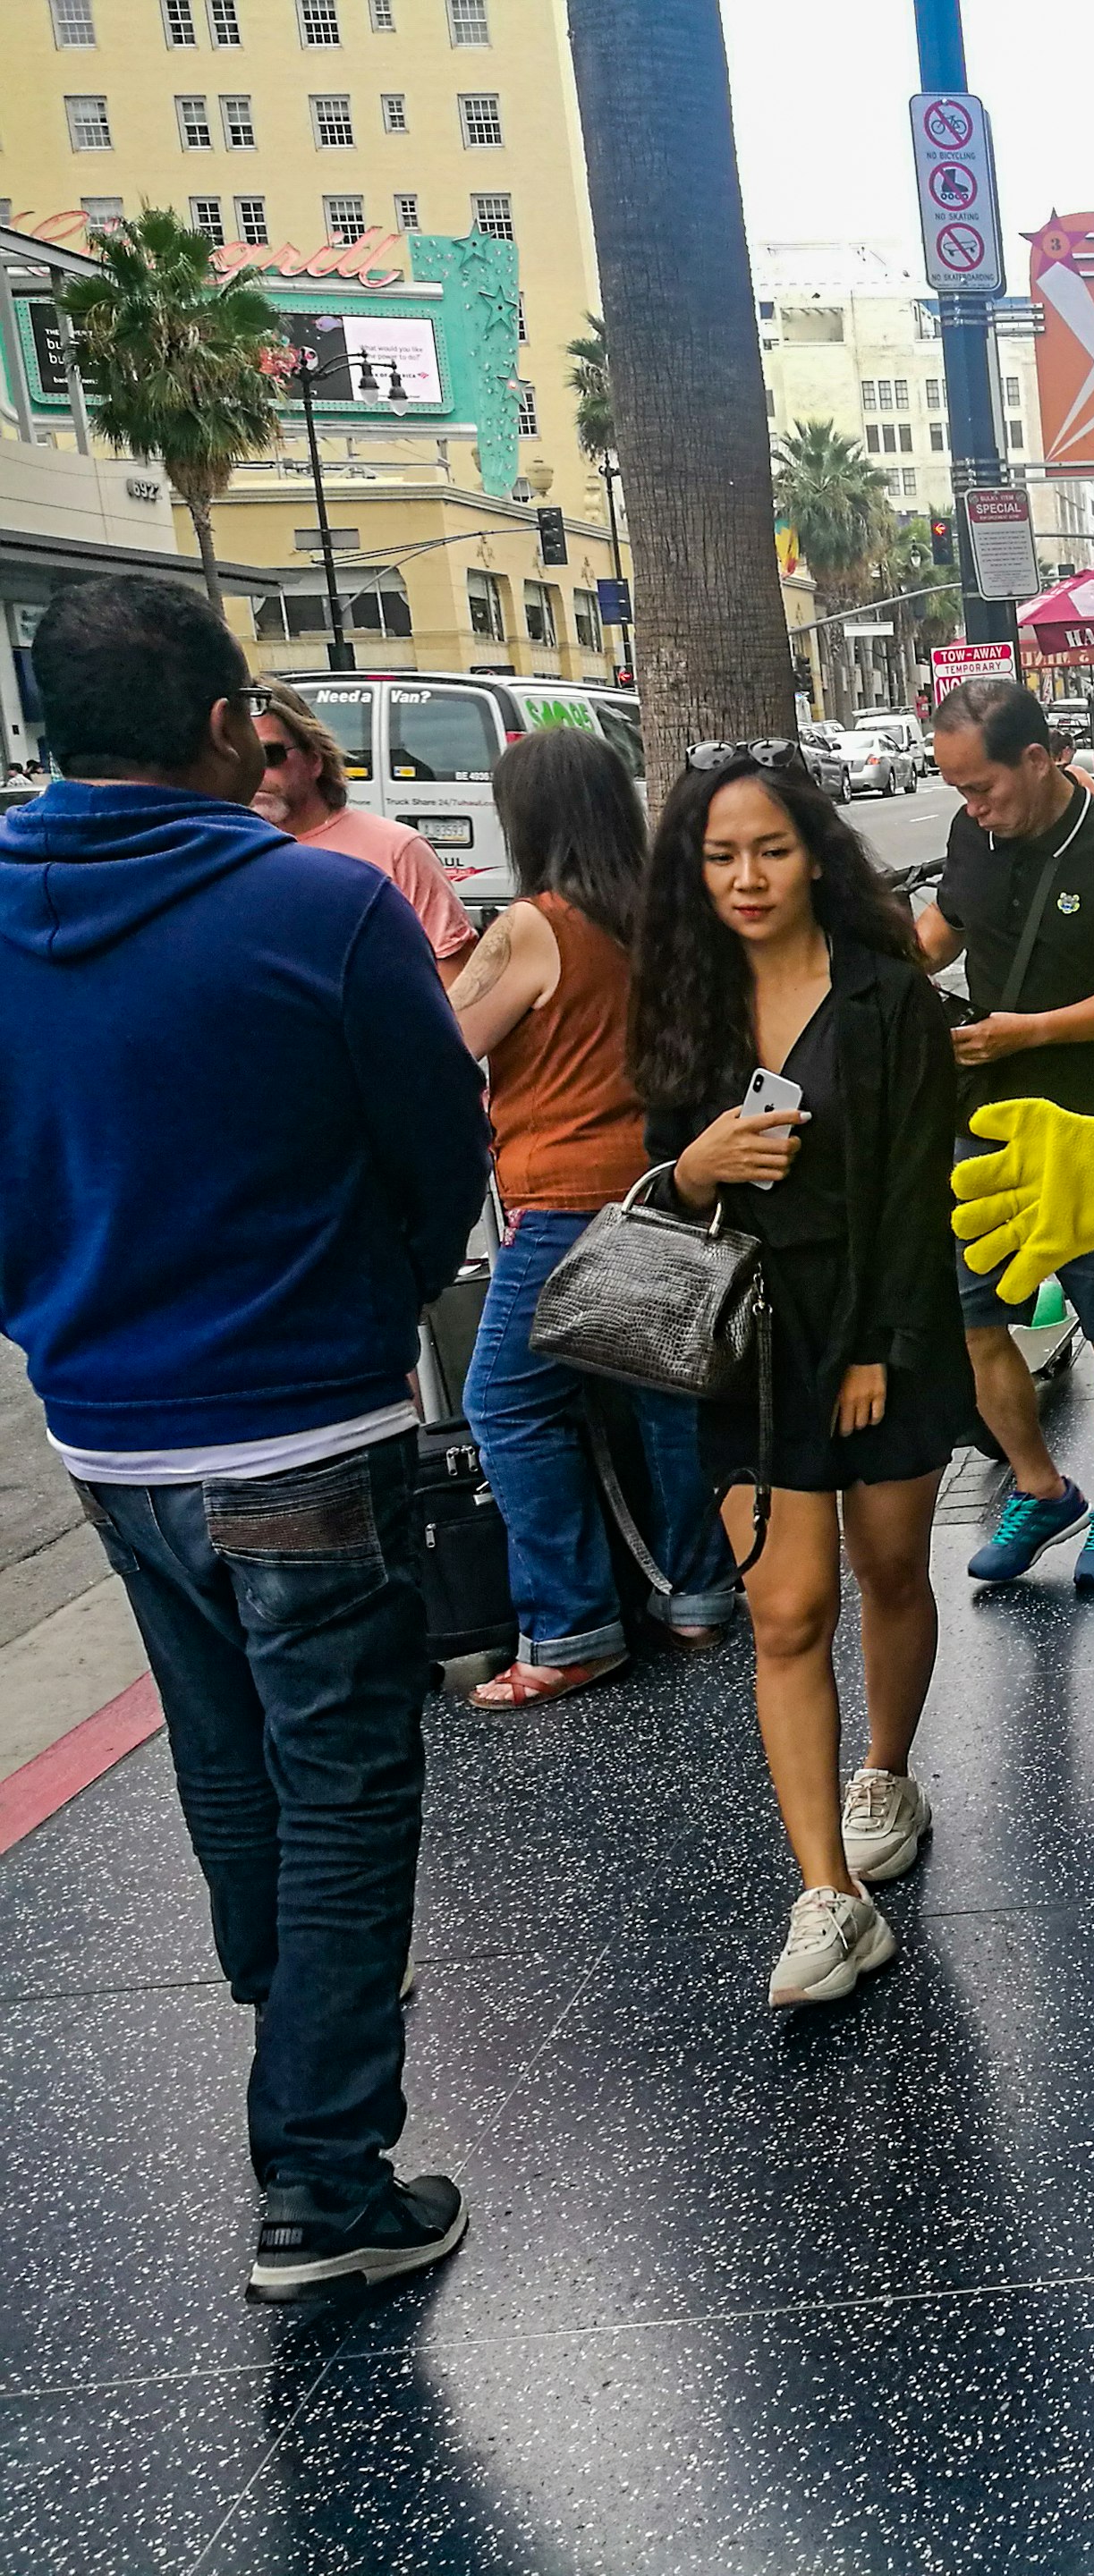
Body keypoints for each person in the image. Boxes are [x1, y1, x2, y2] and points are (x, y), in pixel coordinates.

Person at [0, 577, 491, 2298]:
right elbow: (443, 1151)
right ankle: (323, 2177)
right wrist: (371, 1305)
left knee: (231, 1770)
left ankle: (289, 2058)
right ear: (224, 724)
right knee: (347, 1792)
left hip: (111, 1441)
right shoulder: (319, 909)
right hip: (307, 1424)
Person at [633, 743, 971, 2008]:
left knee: (889, 1569)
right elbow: (659, 1185)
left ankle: (887, 1766)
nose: (747, 877)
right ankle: (828, 1895)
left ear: (815, 853)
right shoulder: (682, 1000)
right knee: (785, 1615)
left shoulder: (890, 998)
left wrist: (880, 1347)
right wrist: (699, 1168)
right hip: (743, 1343)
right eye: (720, 856)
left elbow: (910, 1190)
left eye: (769, 849)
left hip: (882, 1323)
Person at [450, 728, 742, 1708]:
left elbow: (449, 1041)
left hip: (562, 1204)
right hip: (663, 1189)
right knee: (663, 1396)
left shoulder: (532, 926)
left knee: (508, 1402)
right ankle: (698, 1594)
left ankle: (573, 1627)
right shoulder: (663, 919)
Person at [915, 679, 1094, 1591]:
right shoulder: (976, 836)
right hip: (988, 1119)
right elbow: (946, 928)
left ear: (1036, 759)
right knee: (972, 1315)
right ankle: (1040, 1486)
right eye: (957, 789)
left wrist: (1027, 1029)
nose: (971, 805)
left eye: (980, 786)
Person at [253, 678, 479, 986]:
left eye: (271, 756)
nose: (255, 773)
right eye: (242, 759)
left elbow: (456, 978)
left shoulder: (397, 850)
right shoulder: (219, 855)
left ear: (314, 760)